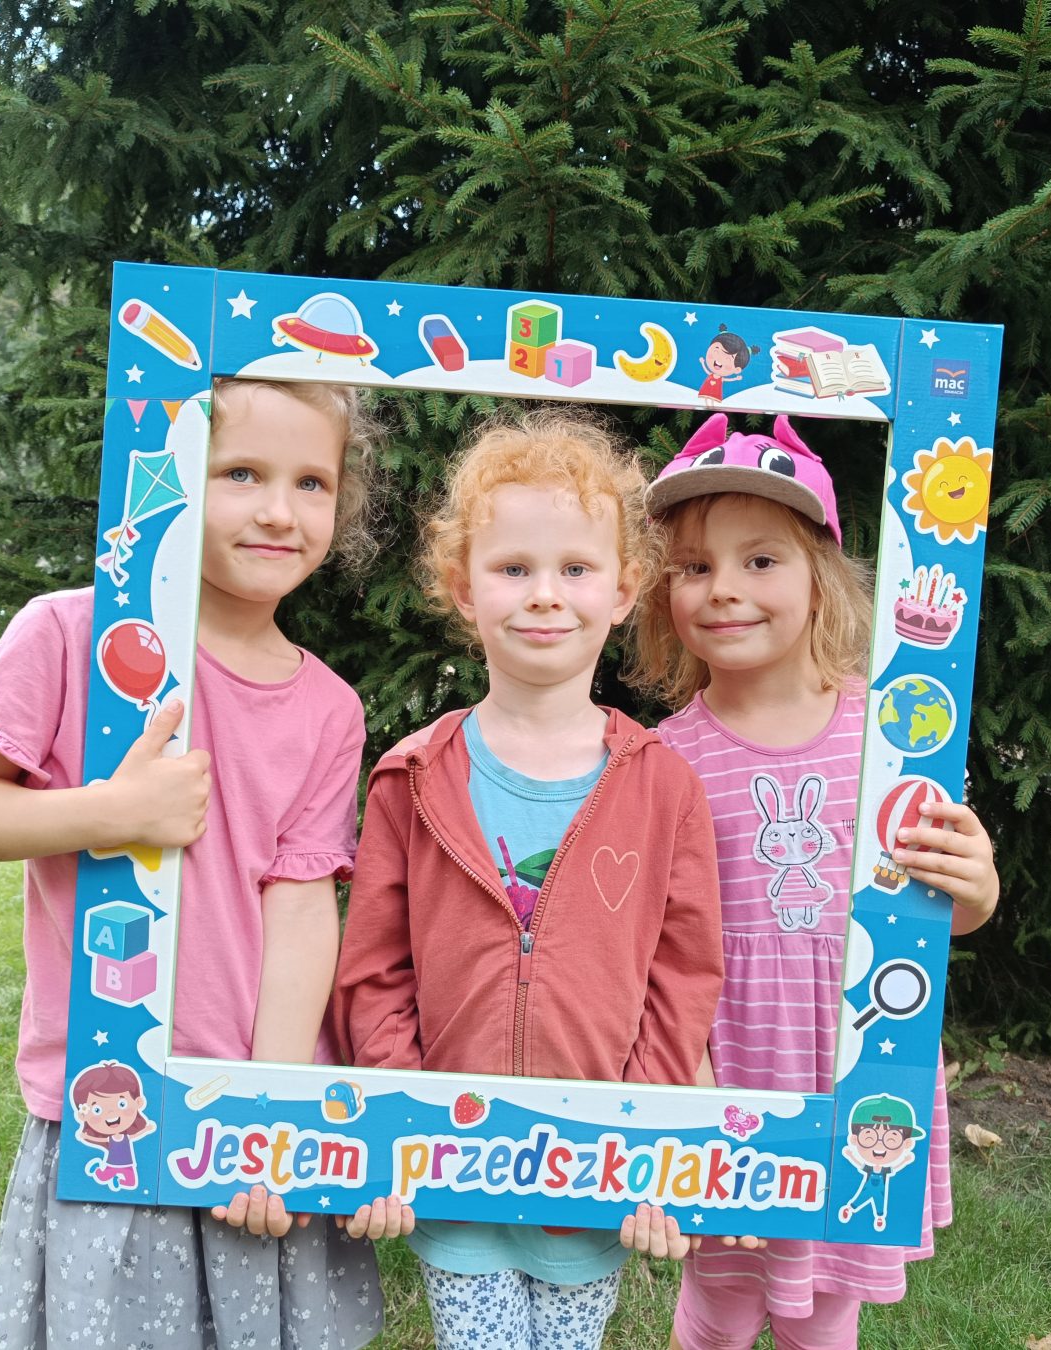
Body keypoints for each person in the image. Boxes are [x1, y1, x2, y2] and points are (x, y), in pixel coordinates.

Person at [0, 379, 389, 1350]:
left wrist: (270, 1110)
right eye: (241, 473)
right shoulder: (70, 634)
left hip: (248, 1105)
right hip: (111, 1103)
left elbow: (302, 907)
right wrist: (110, 813)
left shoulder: (329, 708)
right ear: (170, 478)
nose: (279, 510)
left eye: (311, 482)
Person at [333, 410, 726, 1350]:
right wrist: (401, 1122)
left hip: (595, 1170)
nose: (545, 595)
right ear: (462, 589)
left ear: (624, 590)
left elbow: (683, 975)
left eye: (575, 569)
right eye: (513, 568)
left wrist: (643, 1135)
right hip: (453, 1165)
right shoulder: (412, 776)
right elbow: (374, 969)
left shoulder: (665, 786)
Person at [628, 413, 1001, 1350]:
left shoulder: (896, 737)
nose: (724, 588)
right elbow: (655, 951)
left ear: (821, 578)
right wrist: (691, 1104)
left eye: (761, 560)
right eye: (694, 566)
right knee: (716, 1309)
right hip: (728, 1069)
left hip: (856, 1072)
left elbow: (939, 915)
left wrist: (978, 887)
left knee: (827, 1312)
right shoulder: (662, 760)